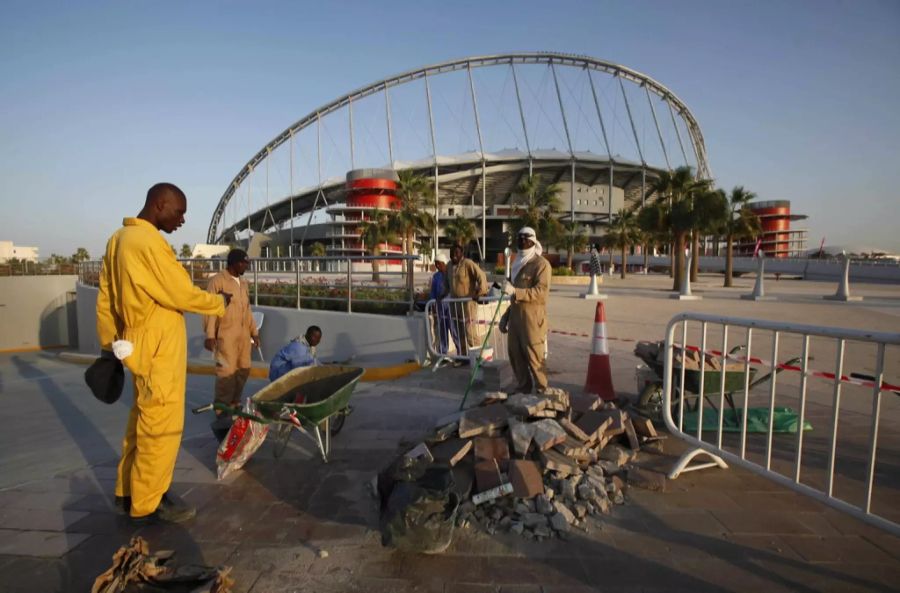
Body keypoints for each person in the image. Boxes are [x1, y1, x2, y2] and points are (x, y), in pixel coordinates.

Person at [96, 182, 228, 524]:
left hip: (136, 343)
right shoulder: (149, 243)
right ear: (159, 204)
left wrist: (109, 345)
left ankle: (127, 491)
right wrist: (218, 303)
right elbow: (180, 292)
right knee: (162, 426)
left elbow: (106, 299)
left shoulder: (117, 240)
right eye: (179, 212)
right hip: (158, 345)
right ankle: (149, 502)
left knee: (142, 418)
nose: (182, 220)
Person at [203, 249, 260, 417]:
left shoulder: (243, 283)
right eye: (243, 263)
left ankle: (234, 404)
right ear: (233, 263)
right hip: (225, 335)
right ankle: (221, 410)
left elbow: (247, 310)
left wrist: (254, 332)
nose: (245, 266)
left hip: (243, 336)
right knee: (226, 373)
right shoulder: (218, 281)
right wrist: (210, 335)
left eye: (247, 263)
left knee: (243, 370)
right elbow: (210, 310)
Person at [500, 226, 552, 394]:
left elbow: (541, 293)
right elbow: (514, 298)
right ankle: (523, 388)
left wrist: (516, 291)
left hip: (532, 319)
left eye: (526, 238)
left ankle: (542, 390)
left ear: (533, 241)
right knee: (515, 354)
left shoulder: (541, 264)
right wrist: (506, 316)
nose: (522, 241)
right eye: (520, 238)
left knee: (534, 356)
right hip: (516, 317)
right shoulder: (516, 263)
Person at [447, 244, 488, 357]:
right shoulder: (449, 266)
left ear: (462, 253)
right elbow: (447, 283)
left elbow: (481, 276)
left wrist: (479, 291)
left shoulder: (468, 263)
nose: (454, 255)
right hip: (455, 305)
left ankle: (481, 357)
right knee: (459, 333)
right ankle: (463, 357)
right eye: (452, 253)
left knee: (470, 332)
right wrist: (441, 295)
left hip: (468, 304)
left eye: (456, 253)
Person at [429, 253, 460, 355]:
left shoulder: (451, 274)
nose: (437, 266)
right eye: (436, 264)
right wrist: (433, 306)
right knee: (442, 331)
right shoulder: (435, 276)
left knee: (454, 329)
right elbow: (433, 292)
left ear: (443, 263)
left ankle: (461, 351)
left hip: (451, 306)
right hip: (439, 307)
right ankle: (443, 353)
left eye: (439, 264)